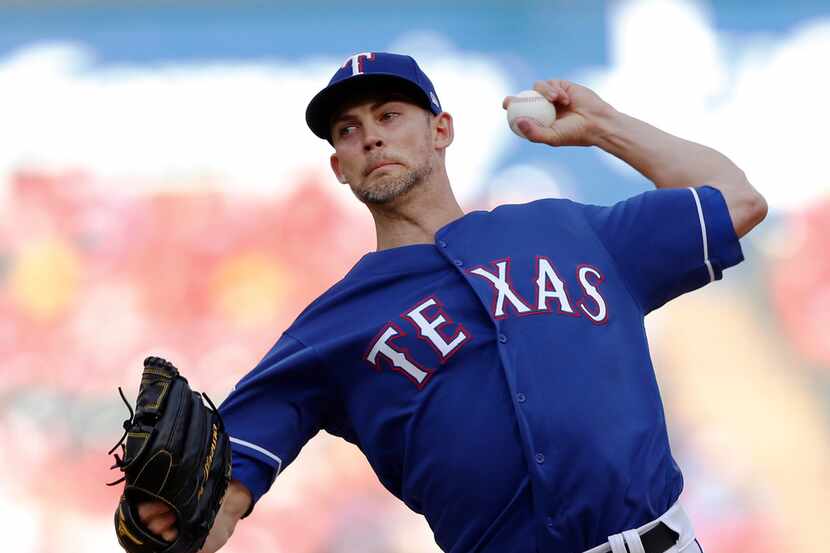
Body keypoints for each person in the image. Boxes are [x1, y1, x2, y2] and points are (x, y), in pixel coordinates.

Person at [134, 52, 767, 553]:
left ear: (442, 131)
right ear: (338, 167)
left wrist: (601, 126)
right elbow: (215, 497)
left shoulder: (570, 231)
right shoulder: (329, 328)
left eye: (389, 116)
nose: (371, 139)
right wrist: (169, 526)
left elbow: (736, 200)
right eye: (349, 131)